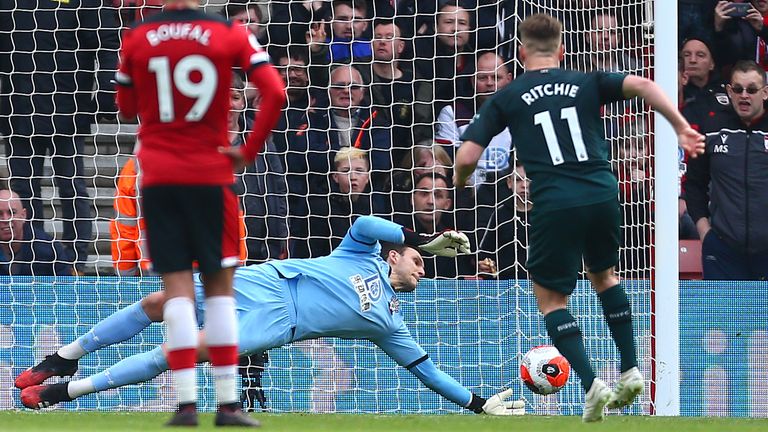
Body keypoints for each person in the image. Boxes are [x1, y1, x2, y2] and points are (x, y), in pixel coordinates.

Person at [454, 14, 705, 422]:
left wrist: (462, 181)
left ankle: (591, 384)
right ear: (562, 50)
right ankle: (631, 368)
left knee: (552, 298)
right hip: (604, 191)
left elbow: (466, 155)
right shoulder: (585, 81)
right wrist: (679, 127)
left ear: (520, 53)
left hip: (555, 200)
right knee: (604, 275)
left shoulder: (509, 94)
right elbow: (642, 84)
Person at [16, 216, 525, 417]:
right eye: (415, 263)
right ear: (395, 255)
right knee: (157, 303)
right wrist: (423, 243)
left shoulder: (389, 322)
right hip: (265, 279)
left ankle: (66, 392)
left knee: (180, 352)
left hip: (278, 323)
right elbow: (365, 222)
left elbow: (427, 370)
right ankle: (61, 358)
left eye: (423, 266)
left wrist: (478, 404)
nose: (420, 270)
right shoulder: (362, 252)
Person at [113, 0, 286, 426]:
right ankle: (228, 405)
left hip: (157, 174)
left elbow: (125, 109)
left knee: (177, 291)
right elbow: (276, 92)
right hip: (211, 174)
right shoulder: (229, 32)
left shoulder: (137, 36)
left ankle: (185, 405)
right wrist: (247, 150)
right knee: (220, 290)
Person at [0, 0, 120, 273]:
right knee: (24, 191)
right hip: (18, 109)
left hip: (68, 109)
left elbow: (106, 40)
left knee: (71, 188)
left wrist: (104, 91)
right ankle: (30, 256)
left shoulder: (84, 3)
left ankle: (74, 260)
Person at [685, 60, 768, 280]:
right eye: (738, 89)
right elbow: (694, 183)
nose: (744, 96)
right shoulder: (712, 127)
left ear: (765, 93)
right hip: (723, 250)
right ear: (729, 91)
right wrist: (705, 232)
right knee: (723, 315)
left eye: (751, 90)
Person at [0, 189, 74, 276]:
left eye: (12, 213)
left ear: (23, 215)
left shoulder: (49, 248)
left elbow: (64, 286)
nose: (6, 219)